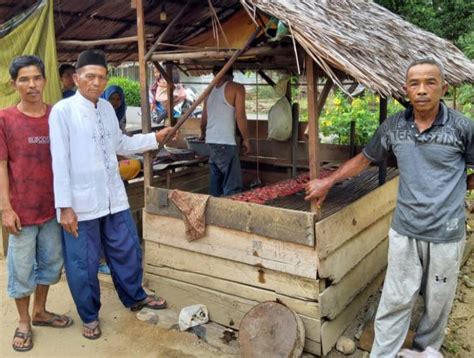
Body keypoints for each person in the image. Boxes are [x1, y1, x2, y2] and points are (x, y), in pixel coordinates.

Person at [305, 58, 474, 357]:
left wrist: (462, 186)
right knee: (395, 298)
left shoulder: (462, 128)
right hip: (405, 229)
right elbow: (364, 159)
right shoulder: (394, 127)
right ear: (405, 89)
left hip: (446, 233)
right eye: (414, 83)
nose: (422, 90)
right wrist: (328, 182)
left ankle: (425, 350)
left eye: (430, 82)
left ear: (444, 88)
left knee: (437, 302)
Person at [49, 49, 174, 340]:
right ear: (77, 78)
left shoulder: (106, 108)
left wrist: (154, 138)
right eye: (90, 76)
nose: (96, 82)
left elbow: (122, 143)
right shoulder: (62, 112)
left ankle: (134, 296)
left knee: (127, 249)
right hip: (80, 205)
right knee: (84, 263)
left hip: (113, 198)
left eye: (101, 77)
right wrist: (64, 207)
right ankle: (90, 315)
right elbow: (59, 161)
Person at [0, 55, 73, 352]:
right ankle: (22, 321)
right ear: (13, 83)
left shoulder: (56, 115)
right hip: (21, 212)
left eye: (36, 78)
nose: (32, 85)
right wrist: (5, 208)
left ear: (45, 80)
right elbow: (1, 165)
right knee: (20, 269)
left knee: (51, 265)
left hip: (53, 210)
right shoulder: (5, 119)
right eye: (24, 79)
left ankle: (40, 311)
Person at [200, 66, 251, 197]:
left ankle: (213, 213)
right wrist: (246, 139)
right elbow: (241, 117)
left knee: (215, 184)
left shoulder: (209, 92)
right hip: (225, 143)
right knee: (232, 186)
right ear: (231, 75)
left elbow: (203, 121)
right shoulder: (237, 88)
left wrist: (203, 135)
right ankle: (230, 214)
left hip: (211, 142)